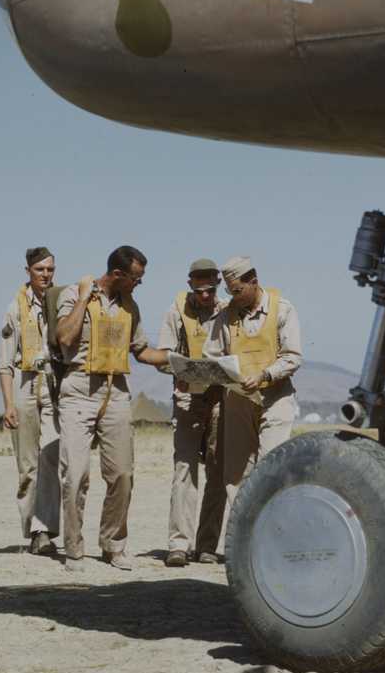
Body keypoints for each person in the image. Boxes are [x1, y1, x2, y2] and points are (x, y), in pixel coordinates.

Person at [52, 245, 171, 573]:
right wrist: (83, 299)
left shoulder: (131, 306)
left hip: (116, 391)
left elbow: (143, 351)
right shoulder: (75, 294)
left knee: (122, 474)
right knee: (75, 476)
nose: (138, 284)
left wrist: (180, 363)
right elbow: (64, 336)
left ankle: (113, 545)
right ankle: (74, 549)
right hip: (78, 389)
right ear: (118, 274)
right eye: (135, 278)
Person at [203, 256, 302, 506]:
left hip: (276, 397)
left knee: (272, 466)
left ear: (254, 282)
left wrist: (264, 376)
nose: (233, 296)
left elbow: (292, 357)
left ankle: (270, 532)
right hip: (238, 400)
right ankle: (242, 535)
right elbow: (211, 355)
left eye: (237, 290)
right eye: (229, 291)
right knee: (236, 474)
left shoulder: (283, 309)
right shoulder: (225, 316)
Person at [158, 258, 229, 567]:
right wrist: (179, 372)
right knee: (184, 469)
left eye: (210, 290)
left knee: (218, 472)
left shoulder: (229, 311)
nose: (205, 296)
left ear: (218, 285)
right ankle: (178, 544)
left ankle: (207, 545)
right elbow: (162, 356)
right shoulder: (175, 312)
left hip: (220, 398)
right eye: (199, 290)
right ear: (190, 286)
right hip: (187, 399)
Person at [0, 246, 60, 556]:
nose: (46, 275)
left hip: (53, 387)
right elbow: (4, 364)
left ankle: (45, 528)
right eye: (40, 270)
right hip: (24, 386)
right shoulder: (15, 308)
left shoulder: (61, 303)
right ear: (28, 272)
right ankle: (34, 530)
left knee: (52, 456)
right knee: (28, 465)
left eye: (50, 270)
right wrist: (8, 404)